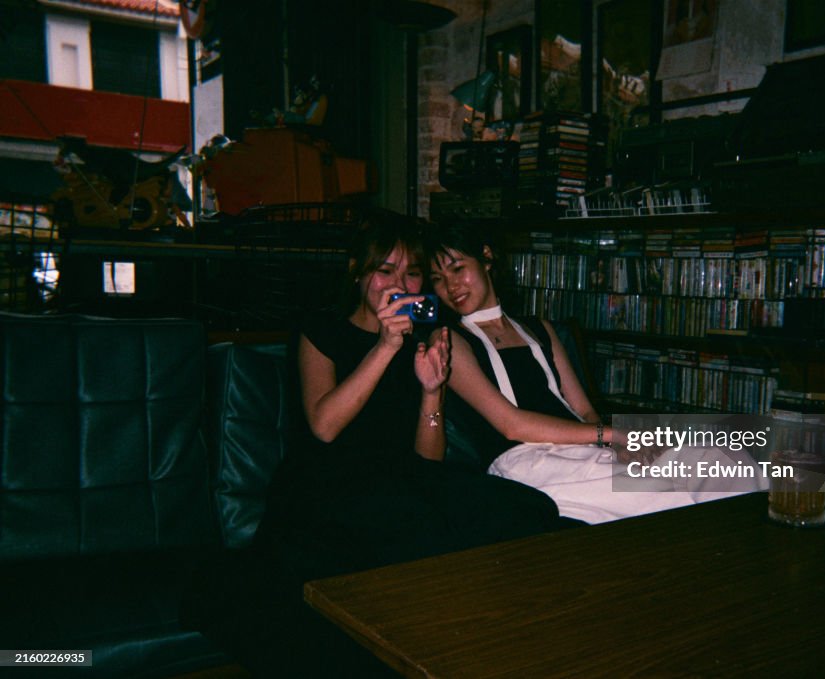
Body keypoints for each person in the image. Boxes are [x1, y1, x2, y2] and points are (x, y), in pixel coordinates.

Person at [186, 210, 565, 678]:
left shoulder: (425, 340)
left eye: (411, 273)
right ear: (358, 271)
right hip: (326, 486)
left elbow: (428, 457)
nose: (399, 284)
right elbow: (324, 426)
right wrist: (385, 346)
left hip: (400, 482)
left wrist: (431, 389)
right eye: (385, 270)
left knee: (527, 509)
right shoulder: (321, 330)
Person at [427, 222, 765, 524]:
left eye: (457, 269)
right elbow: (511, 425)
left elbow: (585, 411)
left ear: (486, 257)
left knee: (721, 458)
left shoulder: (540, 329)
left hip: (586, 448)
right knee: (660, 493)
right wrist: (614, 437)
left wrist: (620, 447)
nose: (450, 286)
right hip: (524, 460)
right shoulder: (449, 340)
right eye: (438, 280)